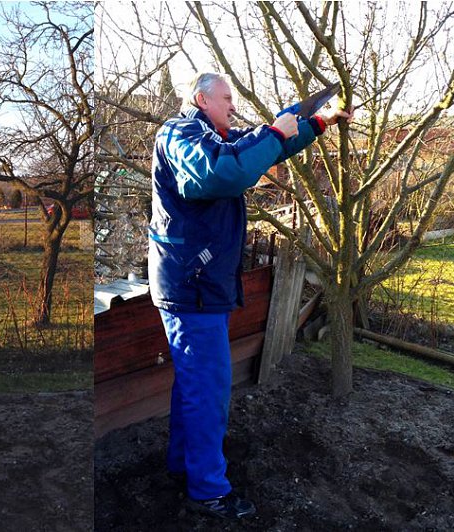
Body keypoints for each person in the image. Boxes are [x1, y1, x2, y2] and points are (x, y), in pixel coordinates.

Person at [149, 72, 349, 519]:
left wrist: (317, 124)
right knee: (209, 390)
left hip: (199, 283)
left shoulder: (216, 135)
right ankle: (208, 491)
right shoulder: (182, 133)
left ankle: (184, 467)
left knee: (195, 385)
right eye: (226, 99)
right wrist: (277, 130)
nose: (233, 107)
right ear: (200, 99)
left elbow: (264, 146)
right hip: (191, 284)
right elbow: (222, 174)